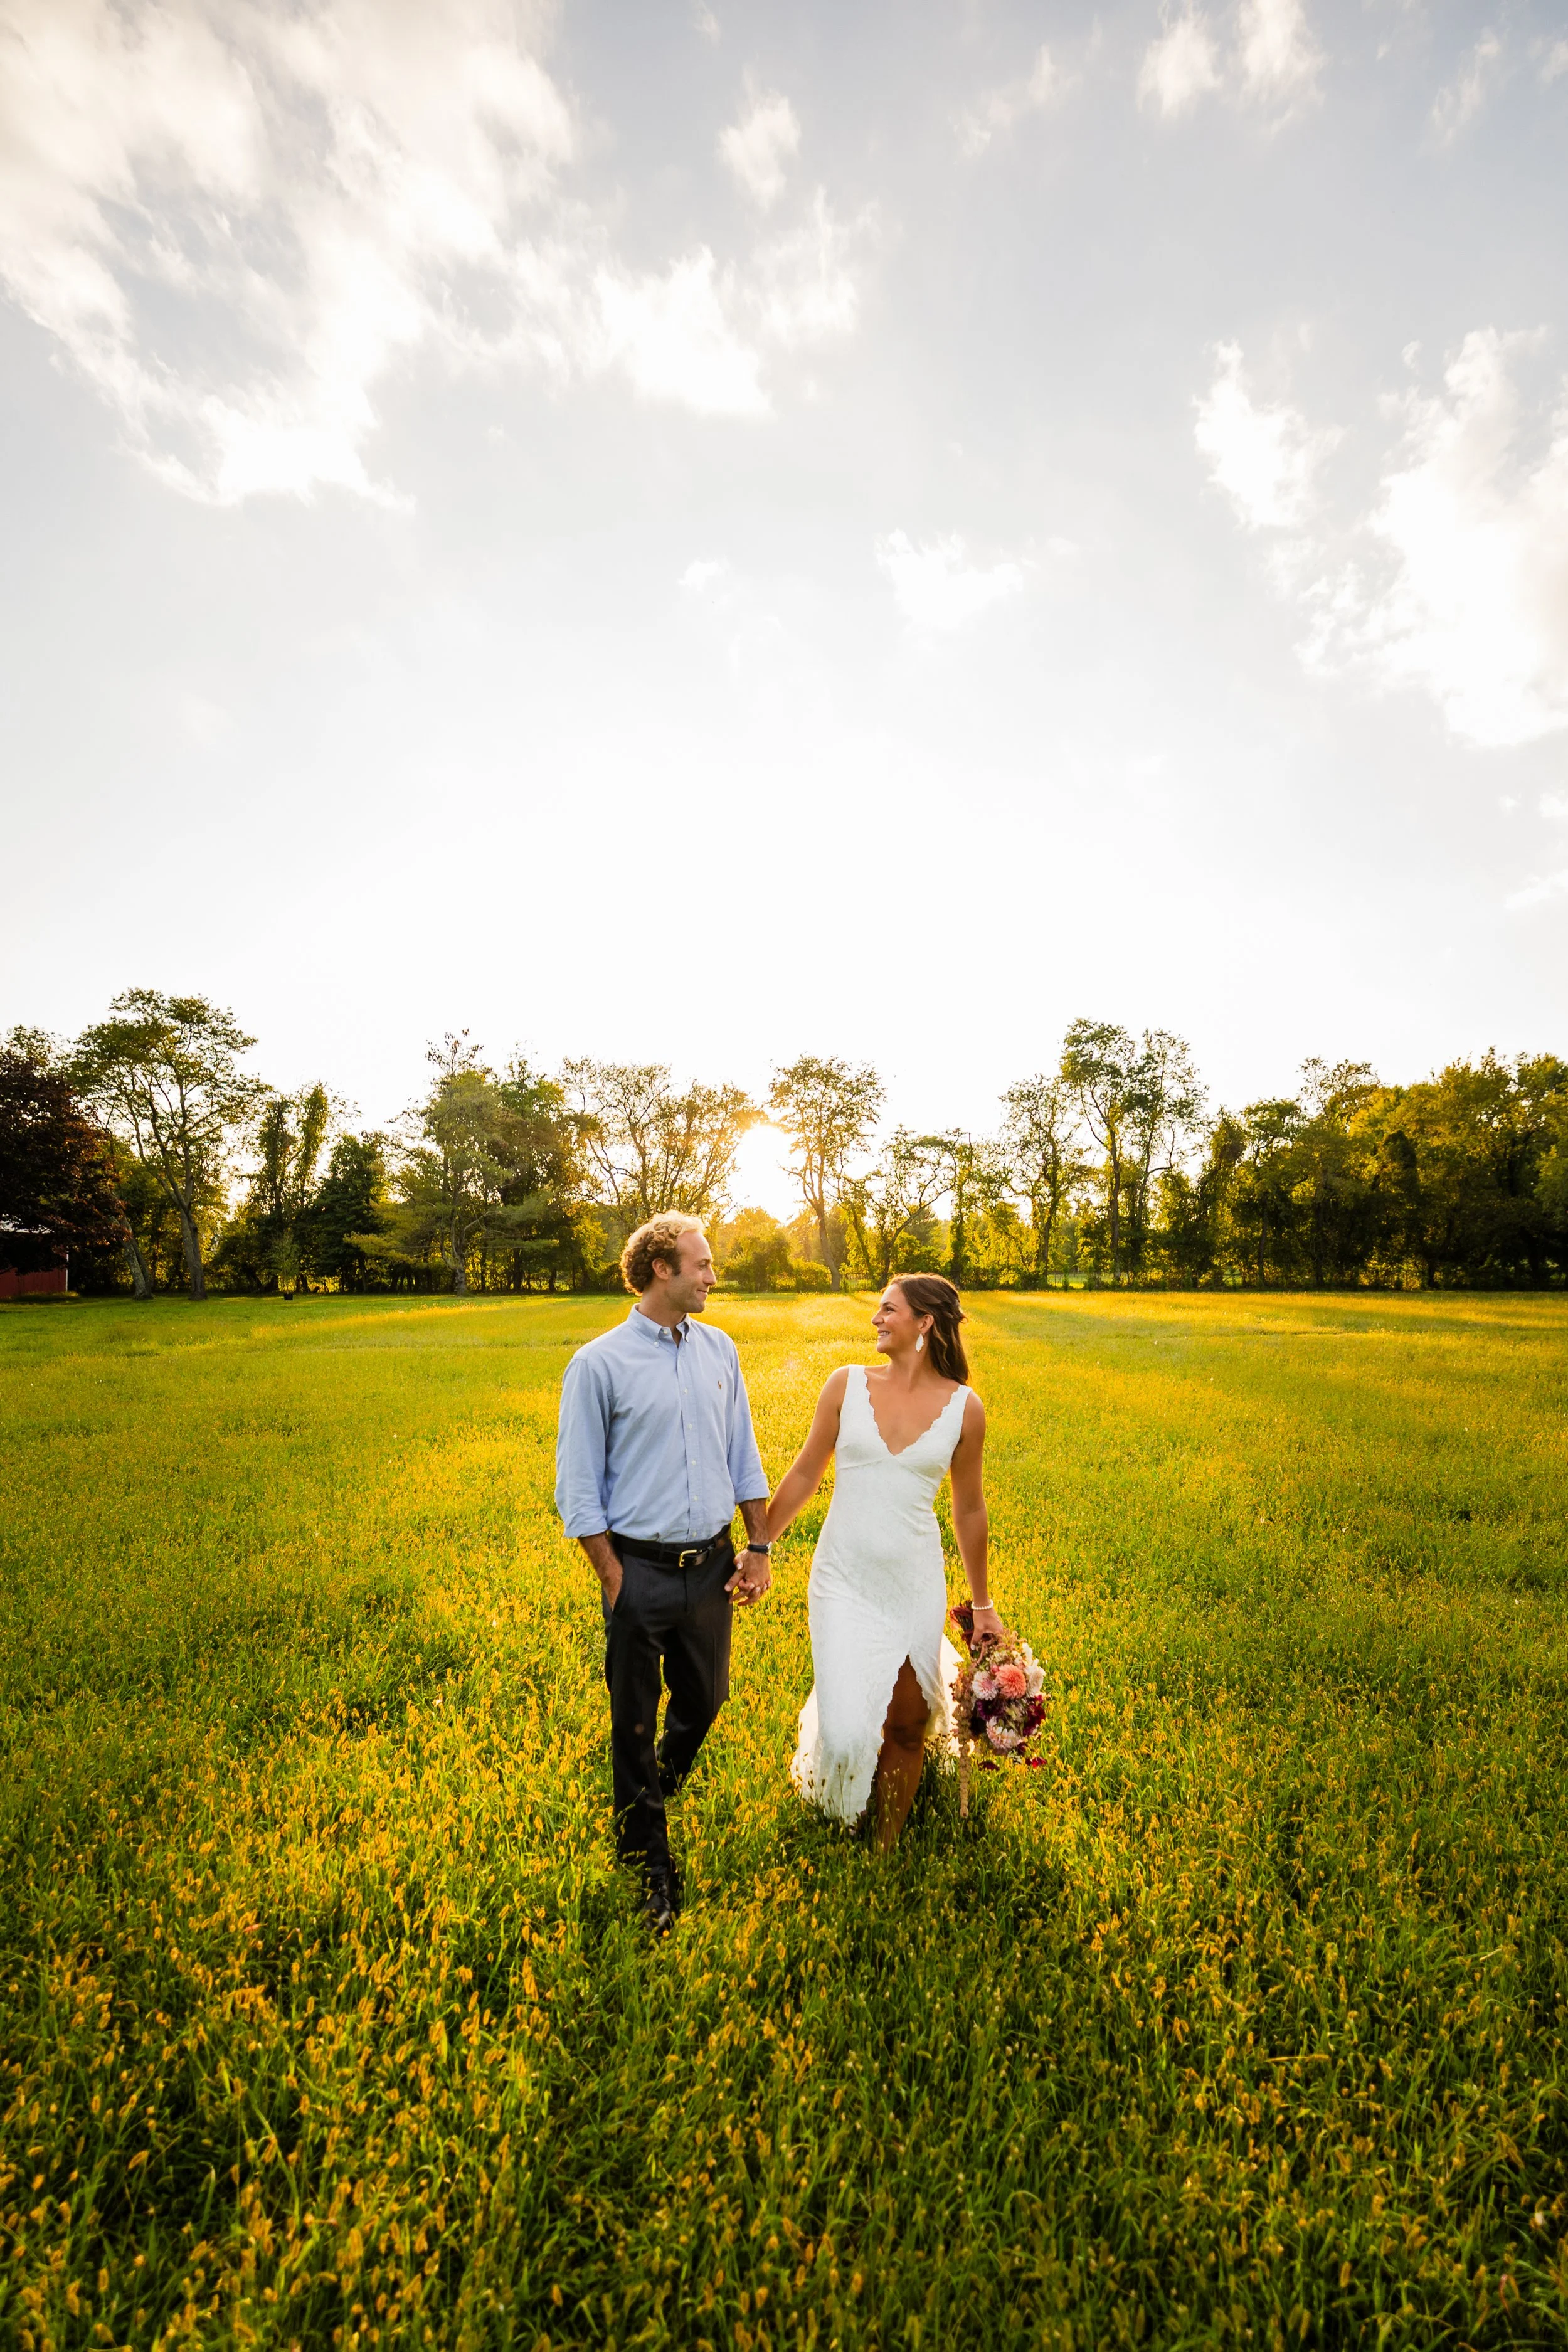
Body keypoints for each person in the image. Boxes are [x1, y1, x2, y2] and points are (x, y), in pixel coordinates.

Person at [555, 1214, 772, 1932]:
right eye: (703, 1265)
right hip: (638, 1570)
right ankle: (649, 1865)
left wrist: (758, 1545)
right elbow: (578, 1488)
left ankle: (650, 1788)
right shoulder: (598, 1363)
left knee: (707, 1700)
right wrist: (614, 1579)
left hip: (711, 1565)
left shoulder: (719, 1351)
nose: (714, 1277)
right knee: (632, 1722)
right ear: (661, 1270)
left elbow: (743, 1452)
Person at [768, 1273, 998, 1848]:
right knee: (848, 1733)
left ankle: (886, 1845)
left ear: (924, 1323)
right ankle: (840, 1808)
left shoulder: (965, 1409)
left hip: (914, 1580)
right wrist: (757, 1543)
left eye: (888, 1310)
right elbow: (804, 1472)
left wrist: (983, 1605)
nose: (876, 1319)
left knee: (906, 1724)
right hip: (842, 1579)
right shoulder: (845, 1385)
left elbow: (968, 1510)